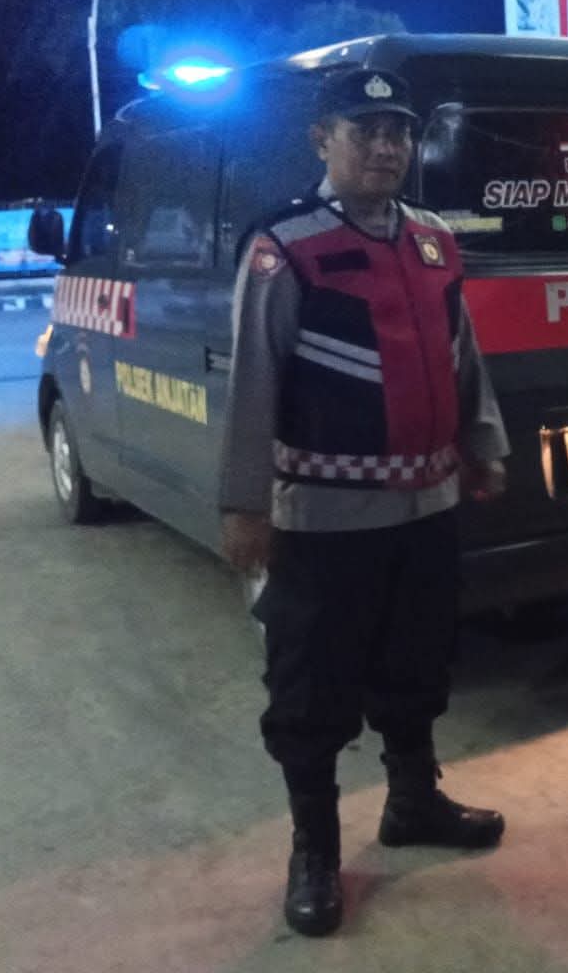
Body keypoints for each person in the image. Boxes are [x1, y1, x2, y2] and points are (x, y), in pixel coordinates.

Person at [218, 67, 510, 938]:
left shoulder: (433, 241)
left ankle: (413, 801)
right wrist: (244, 505)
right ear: (323, 140)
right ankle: (314, 850)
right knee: (312, 686)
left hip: (427, 507)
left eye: (399, 132)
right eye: (366, 131)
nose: (387, 147)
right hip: (325, 518)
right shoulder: (286, 245)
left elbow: (463, 354)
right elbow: (253, 379)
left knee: (418, 662)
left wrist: (484, 444)